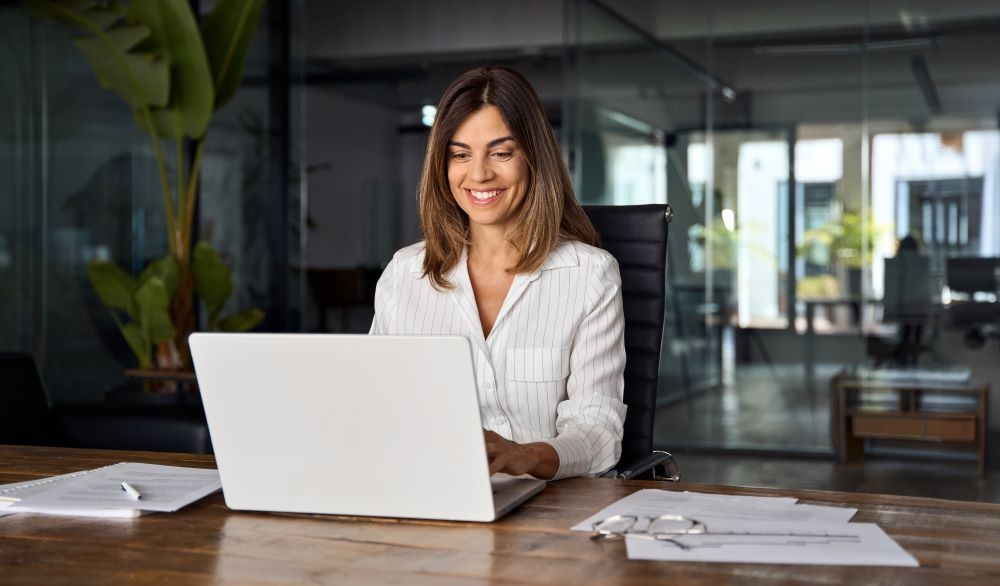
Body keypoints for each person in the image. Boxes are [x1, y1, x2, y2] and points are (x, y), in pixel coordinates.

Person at [369, 65, 626, 480]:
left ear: (533, 158)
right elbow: (375, 406)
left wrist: (528, 456)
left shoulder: (590, 276)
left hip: (548, 506)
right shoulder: (405, 274)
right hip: (430, 493)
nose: (479, 174)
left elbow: (598, 433)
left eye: (502, 152)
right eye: (460, 154)